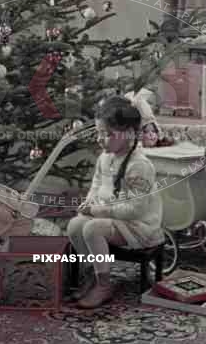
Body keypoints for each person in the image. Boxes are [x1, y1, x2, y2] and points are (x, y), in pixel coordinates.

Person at [67, 95, 164, 309]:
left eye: (108, 134)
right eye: (99, 133)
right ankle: (95, 273)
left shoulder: (140, 166)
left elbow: (135, 209)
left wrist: (98, 211)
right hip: (112, 217)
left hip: (138, 225)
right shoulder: (105, 157)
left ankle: (104, 285)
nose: (101, 139)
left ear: (130, 134)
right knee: (75, 225)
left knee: (93, 228)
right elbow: (96, 185)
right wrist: (88, 204)